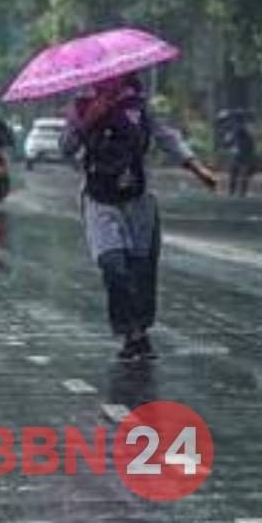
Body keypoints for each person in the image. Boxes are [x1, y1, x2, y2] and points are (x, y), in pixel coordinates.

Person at [60, 74, 217, 361]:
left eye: (115, 78)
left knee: (141, 270)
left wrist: (196, 168)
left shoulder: (139, 107)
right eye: (103, 78)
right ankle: (125, 328)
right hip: (100, 199)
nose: (109, 82)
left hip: (138, 198)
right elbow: (66, 148)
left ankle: (139, 334)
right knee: (113, 265)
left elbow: (166, 137)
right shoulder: (80, 106)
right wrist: (87, 121)